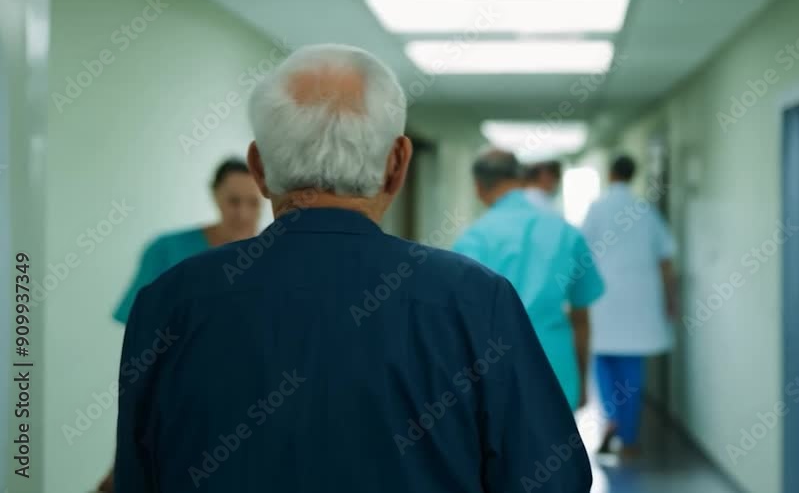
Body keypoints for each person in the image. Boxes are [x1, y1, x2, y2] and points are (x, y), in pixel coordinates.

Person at [114, 44, 591, 493]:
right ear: (398, 163)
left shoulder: (168, 303)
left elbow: (139, 476)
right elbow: (551, 479)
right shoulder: (472, 300)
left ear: (258, 167)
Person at [96, 158, 261, 492]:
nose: (243, 213)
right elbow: (143, 348)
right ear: (215, 197)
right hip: (178, 409)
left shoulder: (272, 260)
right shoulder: (169, 252)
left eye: (253, 203)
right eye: (233, 201)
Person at [453, 149, 604, 412]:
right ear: (522, 180)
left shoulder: (472, 239)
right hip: (555, 368)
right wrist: (581, 380)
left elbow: (458, 323)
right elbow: (581, 319)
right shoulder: (566, 234)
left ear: (478, 187)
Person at [581, 155, 680, 461]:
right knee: (632, 370)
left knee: (603, 364)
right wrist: (670, 298)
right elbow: (666, 259)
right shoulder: (646, 211)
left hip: (603, 300)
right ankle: (630, 436)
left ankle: (610, 417)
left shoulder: (597, 209)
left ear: (610, 174)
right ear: (633, 175)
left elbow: (581, 255)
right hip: (639, 303)